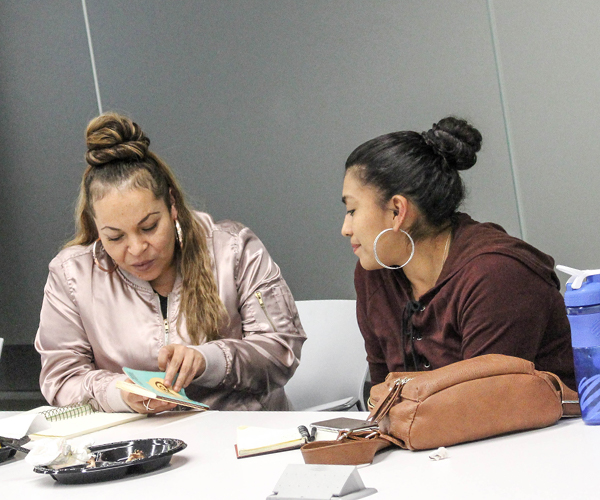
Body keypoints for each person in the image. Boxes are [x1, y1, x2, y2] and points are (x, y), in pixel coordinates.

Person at [36, 112, 306, 413]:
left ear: (172, 205)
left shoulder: (232, 249)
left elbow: (281, 351)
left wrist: (209, 360)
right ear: (96, 229)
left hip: (240, 436)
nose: (137, 249)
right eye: (115, 237)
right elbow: (61, 378)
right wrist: (121, 393)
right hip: (139, 444)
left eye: (150, 227)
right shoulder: (72, 274)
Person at [341, 116, 575, 389]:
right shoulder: (375, 273)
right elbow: (381, 395)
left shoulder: (496, 274)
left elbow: (484, 403)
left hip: (553, 429)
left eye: (352, 210)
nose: (346, 229)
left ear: (397, 211)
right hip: (433, 427)